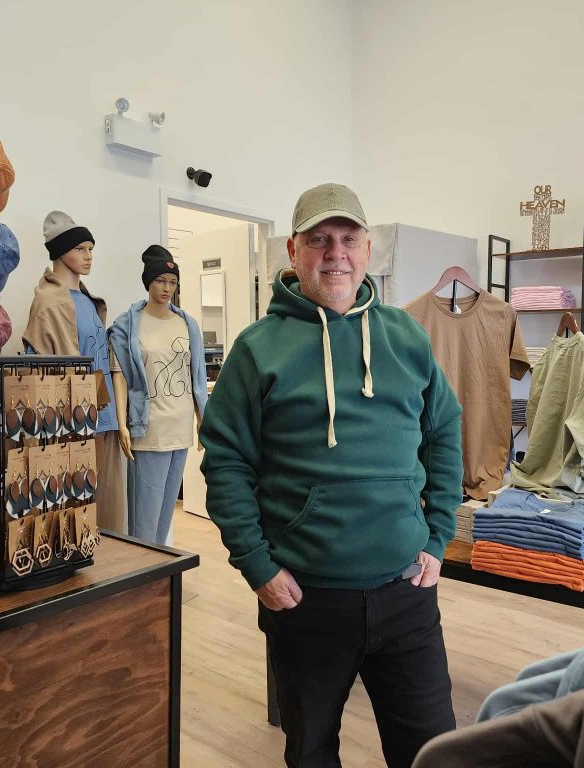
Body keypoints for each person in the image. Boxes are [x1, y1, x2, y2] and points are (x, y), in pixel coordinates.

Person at [199, 183, 464, 767]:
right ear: (293, 251)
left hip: (406, 592)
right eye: (319, 240)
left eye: (348, 239)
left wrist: (439, 535)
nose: (335, 254)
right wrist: (257, 566)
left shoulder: (406, 337)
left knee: (435, 753)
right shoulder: (258, 349)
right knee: (312, 752)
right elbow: (225, 460)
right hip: (306, 600)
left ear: (368, 250)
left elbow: (444, 429)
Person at [22, 211, 126, 532]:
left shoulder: (89, 301)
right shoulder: (49, 302)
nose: (88, 256)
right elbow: (39, 373)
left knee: (107, 511)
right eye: (80, 248)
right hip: (72, 423)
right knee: (71, 512)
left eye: (91, 249)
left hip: (103, 417)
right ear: (60, 251)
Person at [108, 246, 208, 545]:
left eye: (172, 282)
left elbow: (196, 374)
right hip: (149, 427)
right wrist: (122, 425)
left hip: (180, 426)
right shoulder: (128, 325)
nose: (167, 288)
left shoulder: (187, 324)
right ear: (148, 282)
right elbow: (119, 375)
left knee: (165, 515)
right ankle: (143, 569)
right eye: (160, 281)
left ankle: (160, 568)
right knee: (144, 518)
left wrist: (202, 418)